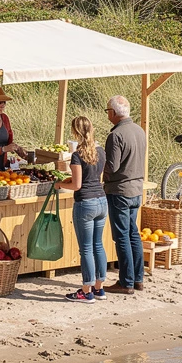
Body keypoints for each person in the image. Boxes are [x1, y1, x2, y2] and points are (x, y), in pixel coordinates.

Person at [56, 115, 108, 302]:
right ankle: (99, 288)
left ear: (75, 132)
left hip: (85, 202)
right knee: (98, 245)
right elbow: (93, 177)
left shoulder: (77, 155)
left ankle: (86, 291)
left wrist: (61, 185)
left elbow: (77, 185)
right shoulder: (100, 151)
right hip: (102, 200)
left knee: (86, 249)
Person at [103, 95, 146, 295]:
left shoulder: (116, 135)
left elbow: (112, 166)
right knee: (133, 234)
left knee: (122, 236)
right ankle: (138, 278)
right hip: (137, 188)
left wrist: (96, 164)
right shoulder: (139, 130)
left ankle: (126, 281)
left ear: (113, 113)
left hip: (120, 190)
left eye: (107, 111)